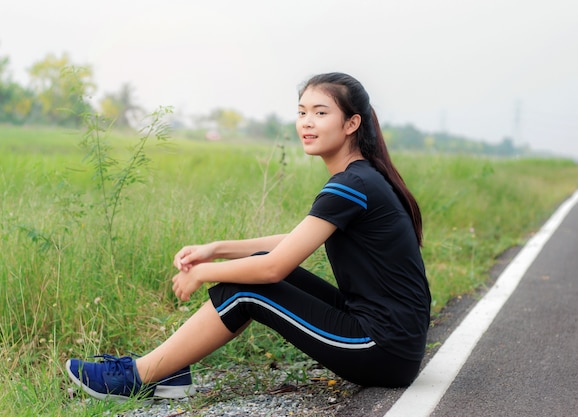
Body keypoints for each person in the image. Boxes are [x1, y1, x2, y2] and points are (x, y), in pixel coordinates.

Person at [66, 72, 431, 401]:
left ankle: (138, 376)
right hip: (392, 341)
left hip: (382, 348)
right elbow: (293, 241)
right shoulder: (361, 178)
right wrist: (216, 250)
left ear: (352, 123)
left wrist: (203, 272)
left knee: (245, 287)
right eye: (302, 112)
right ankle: (169, 369)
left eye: (321, 113)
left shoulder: (351, 185)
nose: (306, 123)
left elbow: (273, 268)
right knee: (247, 271)